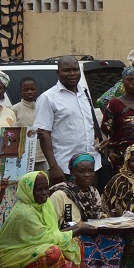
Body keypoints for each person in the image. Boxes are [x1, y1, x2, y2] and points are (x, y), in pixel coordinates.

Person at [0, 169, 86, 268]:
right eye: (39, 190)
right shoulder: (24, 213)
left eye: (46, 188)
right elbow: (48, 238)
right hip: (11, 254)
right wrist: (77, 230)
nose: (45, 193)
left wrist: (76, 229)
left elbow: (51, 232)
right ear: (28, 191)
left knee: (76, 243)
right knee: (52, 252)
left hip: (34, 246)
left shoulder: (45, 204)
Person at [48, 152, 126, 268]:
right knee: (84, 244)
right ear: (72, 173)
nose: (87, 175)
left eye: (91, 171)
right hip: (67, 236)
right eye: (82, 171)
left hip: (88, 232)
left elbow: (97, 216)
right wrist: (79, 229)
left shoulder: (93, 192)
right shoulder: (61, 194)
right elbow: (51, 228)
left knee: (117, 241)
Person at [33, 55, 101, 184]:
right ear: (58, 73)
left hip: (92, 166)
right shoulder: (48, 97)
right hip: (64, 168)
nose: (72, 74)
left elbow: (89, 123)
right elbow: (44, 133)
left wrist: (101, 138)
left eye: (75, 69)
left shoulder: (85, 93)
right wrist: (53, 166)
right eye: (66, 70)